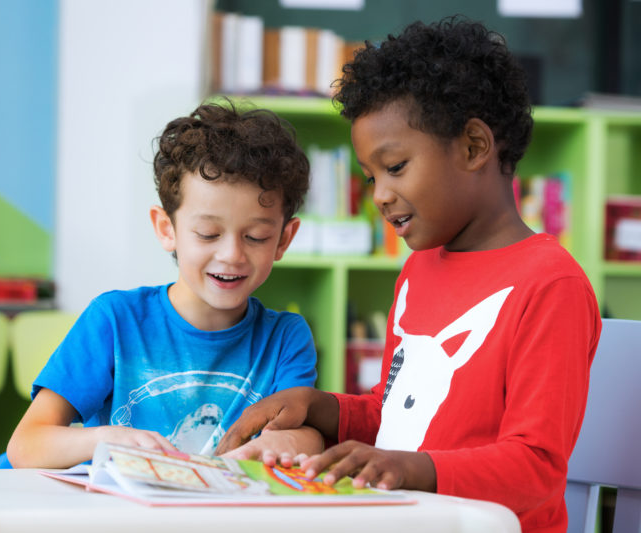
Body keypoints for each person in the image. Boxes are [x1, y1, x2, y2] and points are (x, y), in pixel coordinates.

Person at [215, 17, 601, 533]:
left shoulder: (550, 285)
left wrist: (412, 469)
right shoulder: (418, 268)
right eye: (371, 177)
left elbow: (536, 469)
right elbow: (399, 415)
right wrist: (322, 407)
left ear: (472, 147)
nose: (379, 194)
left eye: (395, 167)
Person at [3, 100, 320, 469]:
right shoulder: (116, 320)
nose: (232, 254)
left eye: (256, 236)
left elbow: (309, 436)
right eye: (208, 233)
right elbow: (26, 446)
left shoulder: (285, 337)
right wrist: (107, 439)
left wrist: (286, 442)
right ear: (166, 229)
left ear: (284, 238)